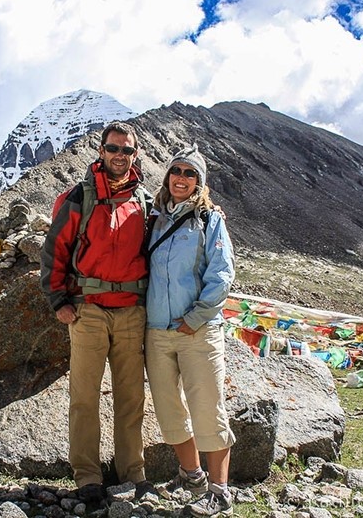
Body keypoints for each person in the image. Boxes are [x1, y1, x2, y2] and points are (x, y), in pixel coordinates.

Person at [40, 121, 154, 503]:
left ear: (135, 155)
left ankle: (132, 474)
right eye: (113, 148)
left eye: (126, 150)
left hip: (131, 313)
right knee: (84, 397)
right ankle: (87, 477)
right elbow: (54, 250)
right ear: (101, 151)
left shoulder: (146, 202)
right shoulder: (78, 197)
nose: (119, 155)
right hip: (87, 311)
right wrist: (59, 301)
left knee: (131, 397)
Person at [144, 144, 236, 517]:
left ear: (199, 182)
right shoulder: (152, 218)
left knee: (207, 407)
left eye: (190, 173)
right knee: (168, 409)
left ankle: (220, 491)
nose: (181, 178)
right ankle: (192, 475)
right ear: (167, 175)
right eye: (176, 171)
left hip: (197, 330)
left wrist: (194, 318)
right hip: (156, 329)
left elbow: (221, 275)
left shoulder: (210, 220)